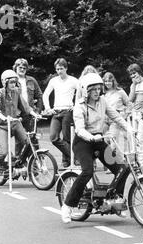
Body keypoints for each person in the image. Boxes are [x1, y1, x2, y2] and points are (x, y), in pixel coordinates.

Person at [60, 73, 134, 223]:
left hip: (99, 140)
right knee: (88, 171)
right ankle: (67, 206)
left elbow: (116, 116)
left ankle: (115, 201)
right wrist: (91, 137)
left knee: (122, 167)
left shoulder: (103, 101)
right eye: (92, 89)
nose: (96, 92)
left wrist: (130, 129)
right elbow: (79, 129)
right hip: (83, 142)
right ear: (85, 91)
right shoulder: (79, 107)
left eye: (98, 89)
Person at [0, 70, 41, 189]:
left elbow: (26, 107)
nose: (14, 84)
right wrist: (4, 117)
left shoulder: (16, 93)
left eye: (15, 82)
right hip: (2, 125)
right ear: (5, 82)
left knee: (28, 142)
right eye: (11, 82)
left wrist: (35, 114)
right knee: (3, 152)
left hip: (14, 122)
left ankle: (18, 164)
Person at [43, 58, 79, 167]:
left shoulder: (73, 80)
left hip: (67, 111)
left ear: (66, 68)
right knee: (53, 137)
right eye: (57, 69)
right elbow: (45, 95)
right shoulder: (54, 81)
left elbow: (82, 92)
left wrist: (76, 105)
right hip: (56, 112)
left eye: (61, 69)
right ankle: (74, 156)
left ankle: (66, 161)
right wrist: (48, 109)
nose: (59, 71)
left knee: (67, 137)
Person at [12, 58, 43, 156]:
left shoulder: (31, 80)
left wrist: (37, 111)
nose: (22, 69)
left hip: (31, 114)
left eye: (24, 68)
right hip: (18, 115)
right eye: (20, 67)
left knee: (34, 140)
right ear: (15, 68)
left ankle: (35, 165)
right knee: (19, 141)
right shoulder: (12, 81)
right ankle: (18, 166)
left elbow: (39, 96)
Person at [127, 63, 143, 155]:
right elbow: (130, 99)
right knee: (135, 137)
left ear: (139, 72)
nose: (133, 76)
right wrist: (133, 85)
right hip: (135, 114)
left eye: (134, 73)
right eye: (131, 75)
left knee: (141, 136)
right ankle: (139, 158)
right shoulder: (133, 85)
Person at [103, 72, 131, 152]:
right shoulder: (104, 93)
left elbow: (129, 104)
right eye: (106, 81)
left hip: (115, 120)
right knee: (106, 140)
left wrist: (124, 116)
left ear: (113, 81)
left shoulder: (120, 92)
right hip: (105, 120)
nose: (107, 83)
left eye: (109, 81)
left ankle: (115, 160)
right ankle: (108, 162)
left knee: (113, 140)